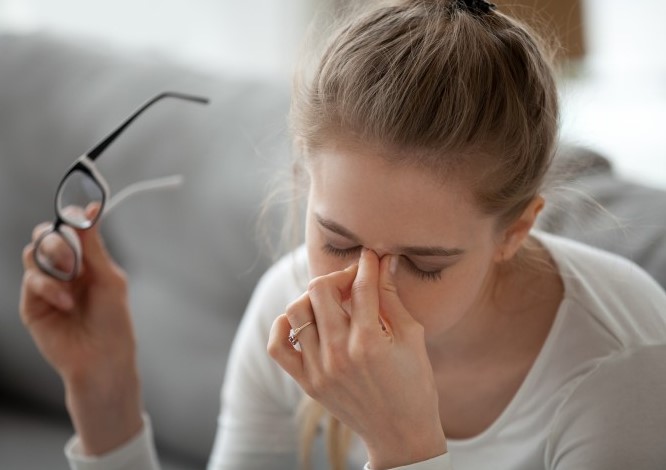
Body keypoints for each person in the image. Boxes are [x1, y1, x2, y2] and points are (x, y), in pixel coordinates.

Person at [19, 0, 666, 469]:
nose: (362, 291)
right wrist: (104, 393)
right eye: (338, 240)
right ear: (303, 184)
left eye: (423, 263)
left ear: (515, 230)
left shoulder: (618, 370)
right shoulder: (290, 301)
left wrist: (406, 446)